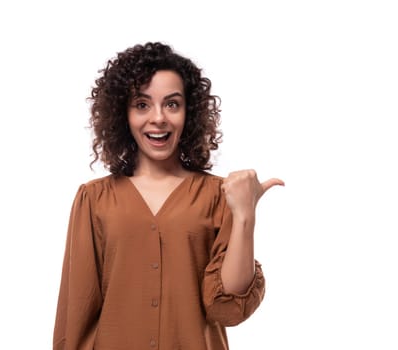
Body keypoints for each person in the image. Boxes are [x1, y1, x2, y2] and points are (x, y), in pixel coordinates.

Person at [53, 42, 284, 350]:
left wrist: (245, 215)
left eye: (172, 104)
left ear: (190, 113)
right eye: (142, 105)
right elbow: (77, 311)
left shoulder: (220, 195)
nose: (159, 118)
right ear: (123, 114)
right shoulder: (94, 199)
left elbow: (226, 308)